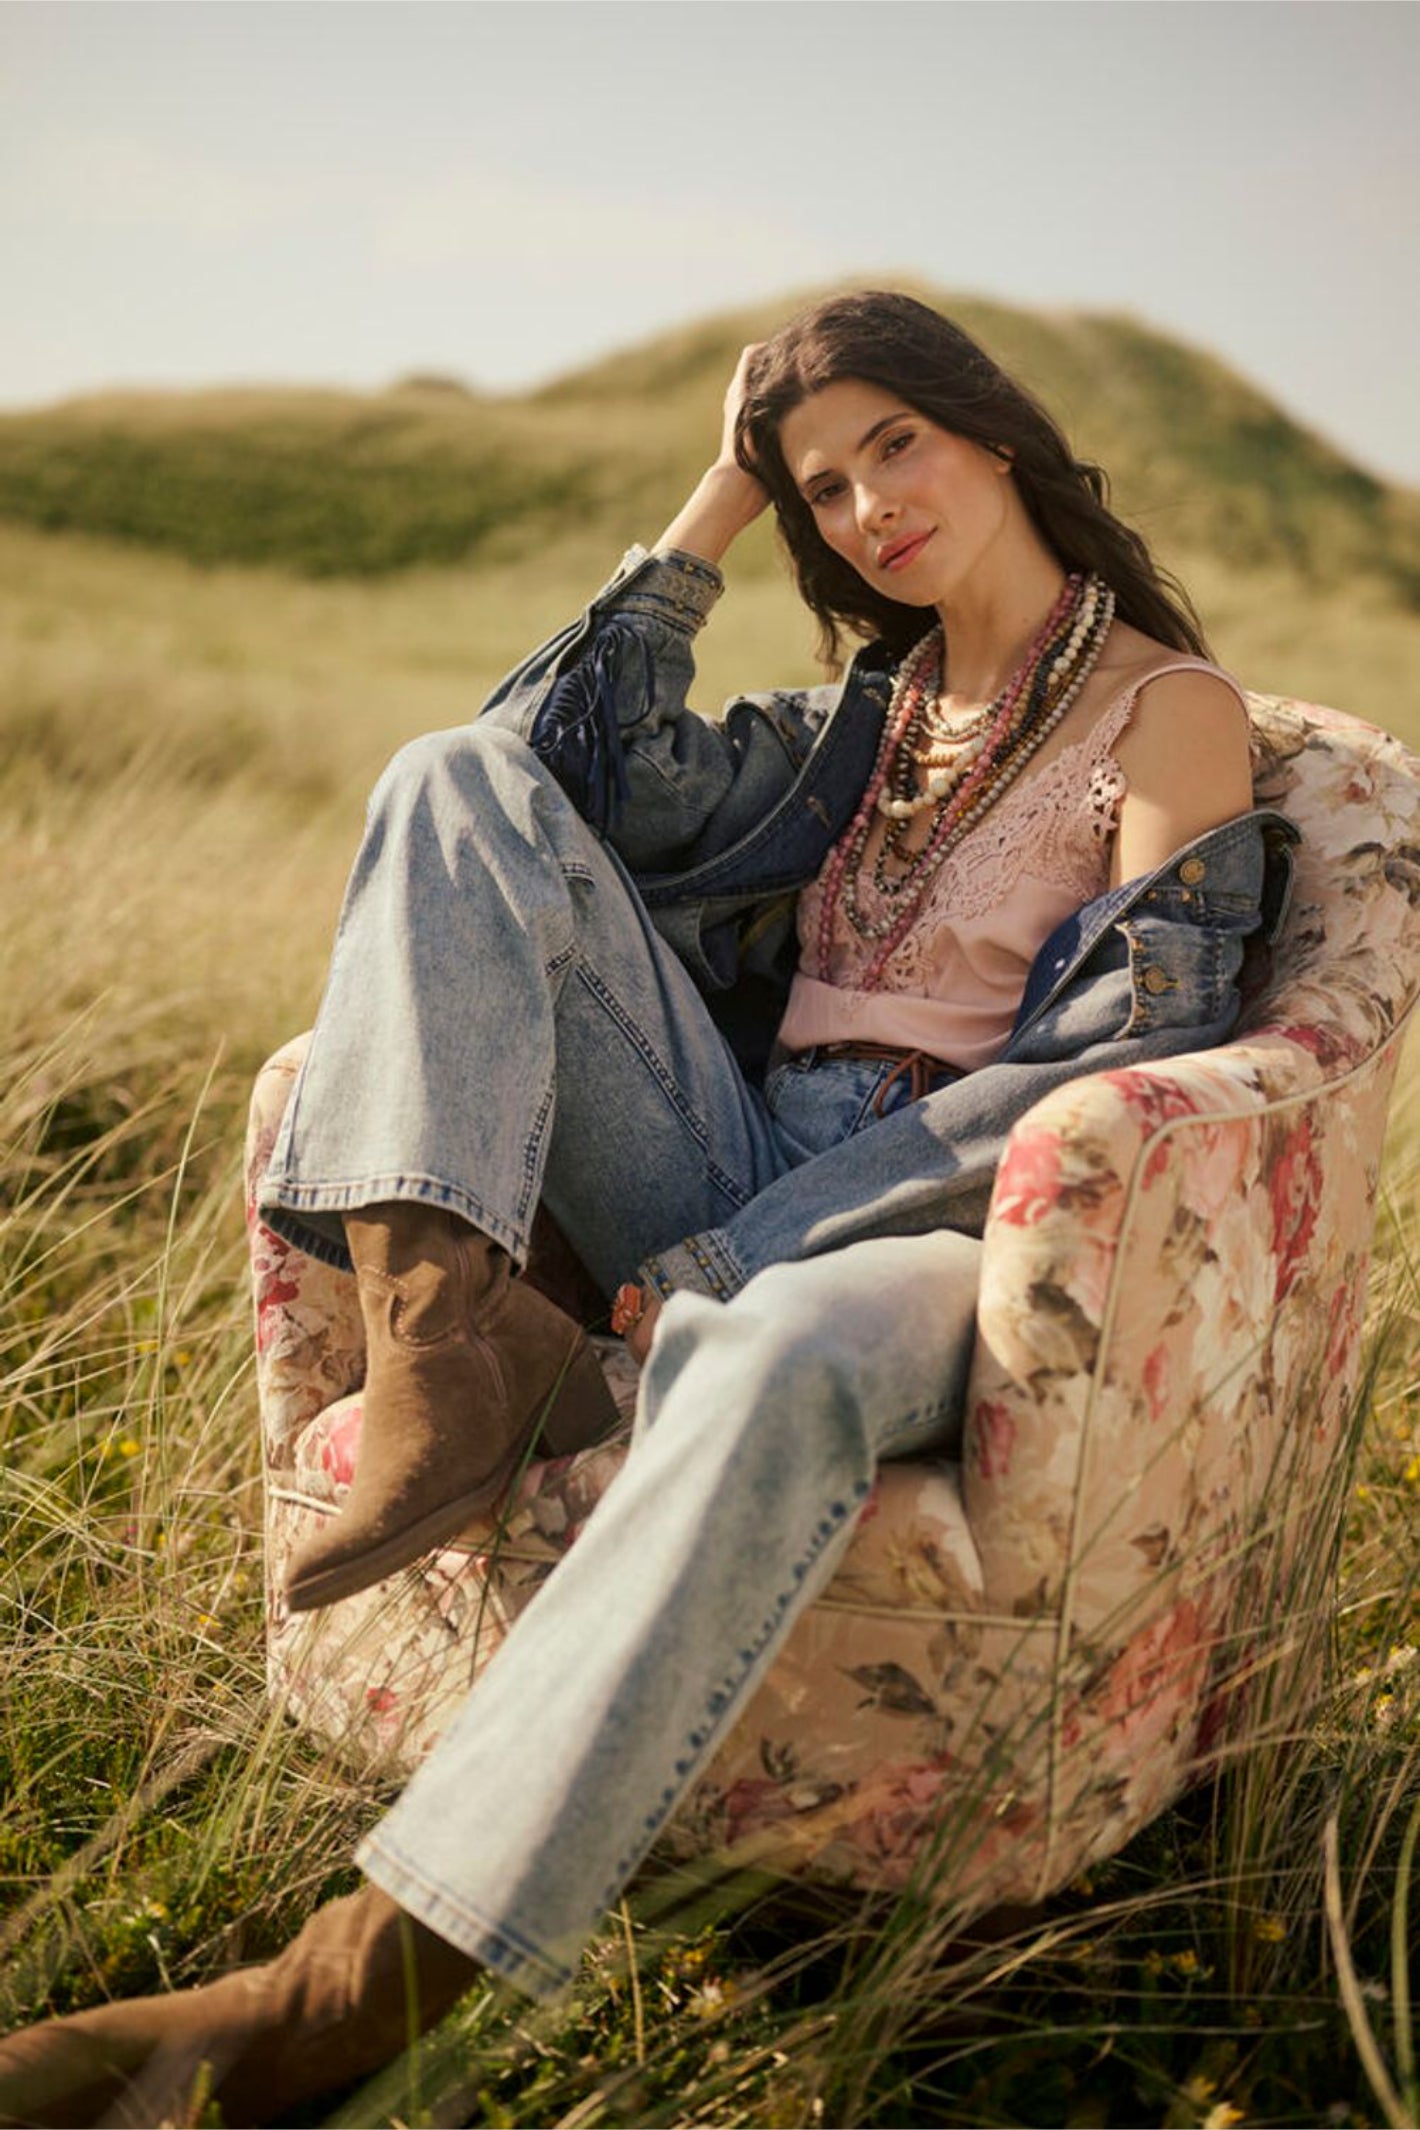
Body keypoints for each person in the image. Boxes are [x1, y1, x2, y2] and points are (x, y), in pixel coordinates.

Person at [0, 290, 1295, 2126]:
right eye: (823, 487)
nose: (868, 508)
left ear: (994, 432)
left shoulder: (1170, 710)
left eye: (897, 447)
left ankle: (348, 1989)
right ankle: (453, 1349)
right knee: (448, 777)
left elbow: (1110, 1070)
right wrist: (717, 497)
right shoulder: (864, 720)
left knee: (771, 1350)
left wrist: (736, 1257)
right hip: (731, 1141)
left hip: (950, 1225)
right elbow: (548, 756)